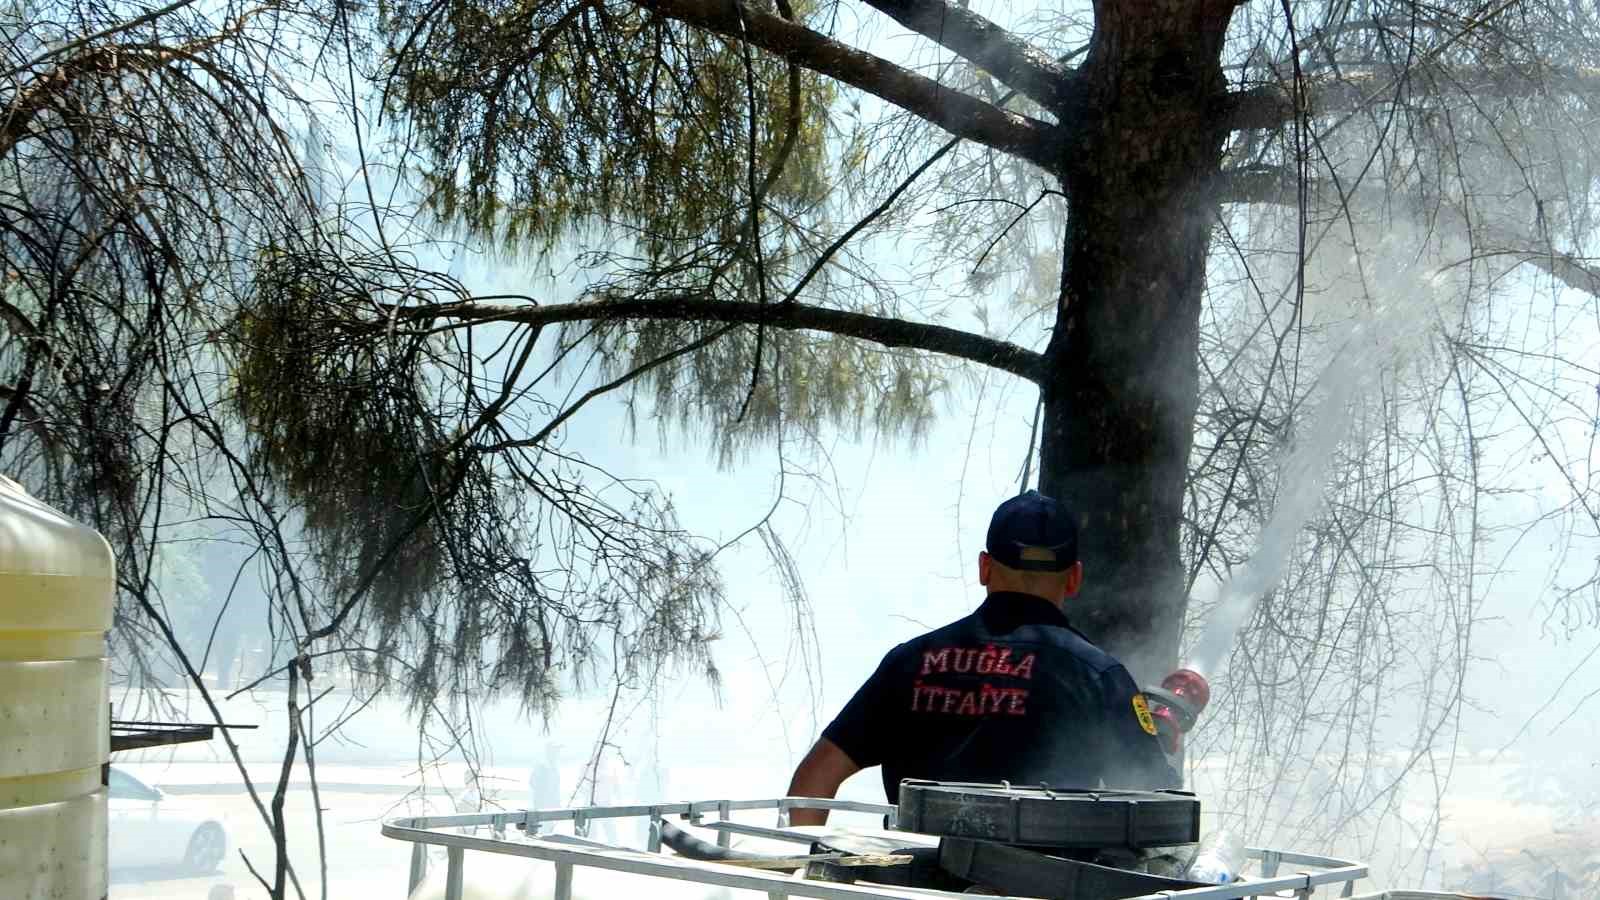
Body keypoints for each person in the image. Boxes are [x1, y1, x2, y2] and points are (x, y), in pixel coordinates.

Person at [784, 490, 1179, 825]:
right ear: (1074, 578)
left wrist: (801, 872)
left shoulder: (908, 663)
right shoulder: (1099, 677)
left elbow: (814, 779)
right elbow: (1163, 810)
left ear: (984, 567)